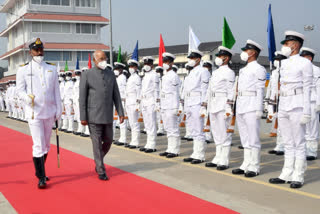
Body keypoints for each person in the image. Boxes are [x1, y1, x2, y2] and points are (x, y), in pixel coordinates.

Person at [269, 31, 313, 189]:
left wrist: (307, 111)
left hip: (297, 104)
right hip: (284, 104)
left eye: (286, 44)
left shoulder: (304, 63)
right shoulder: (284, 63)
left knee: (299, 143)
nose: (284, 46)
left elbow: (308, 88)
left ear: (295, 45)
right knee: (287, 142)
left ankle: (298, 175)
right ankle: (286, 173)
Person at [16, 38, 62, 188]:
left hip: (49, 112)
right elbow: (19, 91)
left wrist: (58, 110)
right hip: (34, 112)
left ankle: (39, 170)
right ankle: (41, 177)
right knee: (38, 144)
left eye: (41, 49)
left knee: (46, 145)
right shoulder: (23, 69)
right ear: (30, 52)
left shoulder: (52, 68)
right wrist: (27, 99)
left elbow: (56, 91)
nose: (39, 52)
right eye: (36, 50)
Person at [80, 50, 124, 181]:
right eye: (101, 59)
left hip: (107, 114)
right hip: (93, 115)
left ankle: (98, 160)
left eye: (105, 58)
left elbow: (116, 94)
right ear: (94, 61)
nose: (104, 61)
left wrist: (121, 112)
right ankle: (101, 169)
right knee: (97, 143)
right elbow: (82, 97)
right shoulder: (87, 74)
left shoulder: (111, 74)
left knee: (109, 140)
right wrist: (83, 116)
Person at [232, 40, 266, 178]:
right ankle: (246, 164)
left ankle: (255, 166)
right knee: (245, 138)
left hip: (252, 106)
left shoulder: (259, 69)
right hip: (241, 105)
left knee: (253, 138)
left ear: (253, 52)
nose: (244, 53)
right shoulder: (243, 69)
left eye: (246, 50)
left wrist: (259, 108)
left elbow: (260, 90)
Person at [204, 46, 235, 170]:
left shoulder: (229, 72)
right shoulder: (215, 72)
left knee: (224, 133)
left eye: (220, 56)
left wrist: (229, 106)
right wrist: (206, 104)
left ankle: (224, 159)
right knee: (216, 133)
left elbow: (231, 91)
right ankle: (218, 156)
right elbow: (210, 89)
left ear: (226, 58)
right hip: (213, 104)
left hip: (222, 105)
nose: (217, 58)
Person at [182, 50, 210, 164]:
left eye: (192, 58)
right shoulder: (191, 72)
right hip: (189, 102)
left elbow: (205, 88)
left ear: (198, 59)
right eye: (189, 58)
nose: (190, 60)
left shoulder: (203, 71)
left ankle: (200, 155)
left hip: (197, 102)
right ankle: (195, 153)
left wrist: (204, 104)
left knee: (199, 129)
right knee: (193, 129)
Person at [159, 52, 181, 158]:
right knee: (168, 128)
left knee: (173, 128)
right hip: (165, 105)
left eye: (167, 61)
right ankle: (169, 148)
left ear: (172, 63)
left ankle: (175, 150)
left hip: (172, 105)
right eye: (164, 61)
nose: (165, 63)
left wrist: (177, 107)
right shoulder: (165, 75)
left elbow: (176, 92)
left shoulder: (174, 76)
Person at [300, 47, 320, 161]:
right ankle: (304, 149)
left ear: (310, 58)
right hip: (301, 102)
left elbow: (319, 87)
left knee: (312, 128)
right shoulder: (300, 69)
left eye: (304, 57)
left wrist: (319, 103)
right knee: (304, 128)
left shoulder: (316, 70)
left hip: (312, 101)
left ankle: (312, 151)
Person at [139, 56, 160, 153]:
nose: (146, 66)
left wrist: (157, 103)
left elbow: (156, 90)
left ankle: (152, 144)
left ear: (152, 65)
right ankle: (148, 143)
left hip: (151, 101)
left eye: (148, 64)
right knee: (147, 124)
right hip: (145, 101)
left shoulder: (154, 75)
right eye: (145, 64)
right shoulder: (145, 76)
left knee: (151, 123)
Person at [267, 51, 287, 156]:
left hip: (284, 99)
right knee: (278, 125)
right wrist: (269, 102)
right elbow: (271, 88)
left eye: (279, 60)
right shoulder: (274, 73)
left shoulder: (287, 71)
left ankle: (284, 146)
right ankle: (279, 145)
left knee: (284, 125)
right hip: (275, 100)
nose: (276, 62)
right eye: (276, 60)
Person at [125, 59, 142, 149]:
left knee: (134, 123)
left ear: (136, 67)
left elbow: (139, 91)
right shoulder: (130, 77)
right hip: (129, 102)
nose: (130, 68)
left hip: (134, 102)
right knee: (131, 123)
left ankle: (136, 142)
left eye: (132, 66)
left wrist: (138, 103)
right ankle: (132, 141)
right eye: (130, 66)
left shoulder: (137, 78)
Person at [113, 62, 128, 146]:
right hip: (118, 100)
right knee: (120, 120)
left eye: (118, 69)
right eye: (116, 69)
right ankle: (122, 138)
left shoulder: (123, 78)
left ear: (121, 69)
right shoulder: (118, 78)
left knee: (122, 120)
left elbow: (125, 90)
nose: (116, 70)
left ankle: (123, 139)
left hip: (122, 100)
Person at [73, 69, 83, 135]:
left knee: (80, 115)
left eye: (78, 74)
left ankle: (81, 129)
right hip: (75, 100)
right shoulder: (76, 82)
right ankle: (79, 129)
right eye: (76, 74)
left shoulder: (81, 82)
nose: (77, 76)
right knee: (77, 114)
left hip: (79, 100)